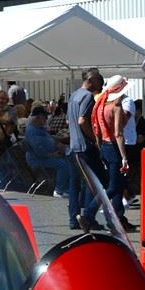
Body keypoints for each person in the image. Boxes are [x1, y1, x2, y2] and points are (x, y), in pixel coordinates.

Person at [66, 68, 107, 230]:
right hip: (85, 146)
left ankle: (73, 218)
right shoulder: (88, 96)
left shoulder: (73, 96)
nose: (101, 84)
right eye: (99, 81)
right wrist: (95, 139)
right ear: (91, 80)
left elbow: (71, 122)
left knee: (74, 185)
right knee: (97, 183)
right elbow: (82, 121)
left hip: (73, 147)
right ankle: (88, 217)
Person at [93, 74, 132, 229]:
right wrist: (124, 157)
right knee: (114, 187)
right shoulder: (116, 106)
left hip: (104, 145)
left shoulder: (101, 105)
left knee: (116, 184)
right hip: (114, 147)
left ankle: (116, 219)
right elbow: (118, 133)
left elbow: (97, 130)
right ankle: (89, 212)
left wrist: (99, 146)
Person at [24, 105, 73, 198]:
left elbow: (49, 139)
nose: (46, 118)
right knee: (62, 164)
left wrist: (58, 145)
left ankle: (68, 188)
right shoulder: (32, 130)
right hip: (38, 159)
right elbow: (38, 149)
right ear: (38, 117)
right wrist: (52, 155)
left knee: (68, 160)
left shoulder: (40, 128)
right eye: (44, 116)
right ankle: (59, 190)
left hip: (46, 155)